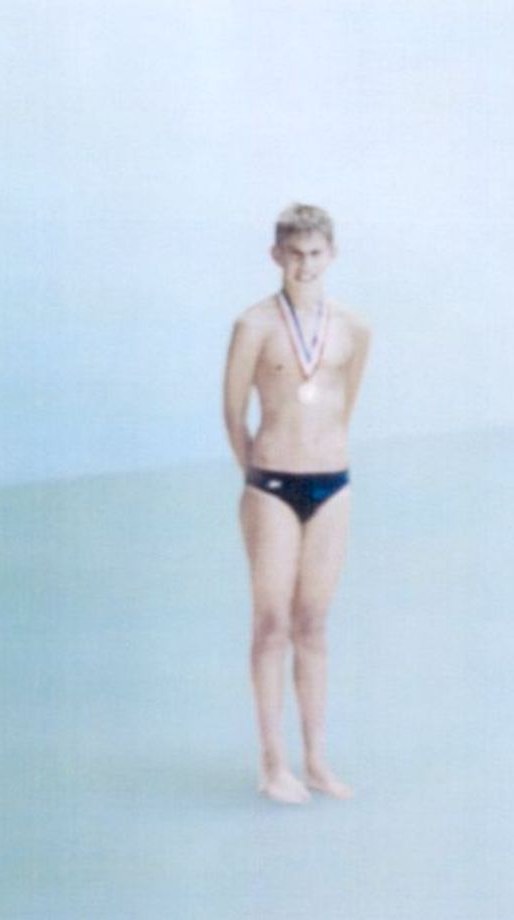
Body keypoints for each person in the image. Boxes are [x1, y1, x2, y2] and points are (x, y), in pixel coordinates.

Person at [223, 204, 370, 804]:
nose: (305, 265)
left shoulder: (354, 328)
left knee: (313, 624)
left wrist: (321, 452)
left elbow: (343, 404)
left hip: (332, 485)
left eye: (315, 254)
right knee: (271, 625)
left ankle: (315, 760)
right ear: (276, 255)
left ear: (331, 254)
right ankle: (271, 763)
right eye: (295, 254)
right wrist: (257, 478)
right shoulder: (253, 325)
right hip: (272, 488)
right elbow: (233, 412)